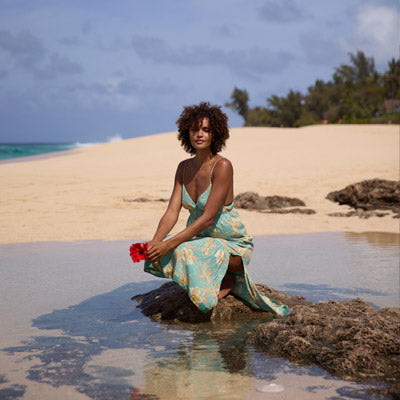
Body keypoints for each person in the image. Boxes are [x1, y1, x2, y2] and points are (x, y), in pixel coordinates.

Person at [144, 102, 288, 316]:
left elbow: (209, 218)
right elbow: (172, 212)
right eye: (194, 129)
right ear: (187, 133)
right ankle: (214, 276)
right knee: (160, 251)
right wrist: (157, 241)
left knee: (180, 249)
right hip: (200, 241)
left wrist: (169, 243)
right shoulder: (183, 168)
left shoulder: (222, 166)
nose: (199, 134)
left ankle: (229, 276)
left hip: (232, 246)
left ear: (215, 134)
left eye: (206, 130)